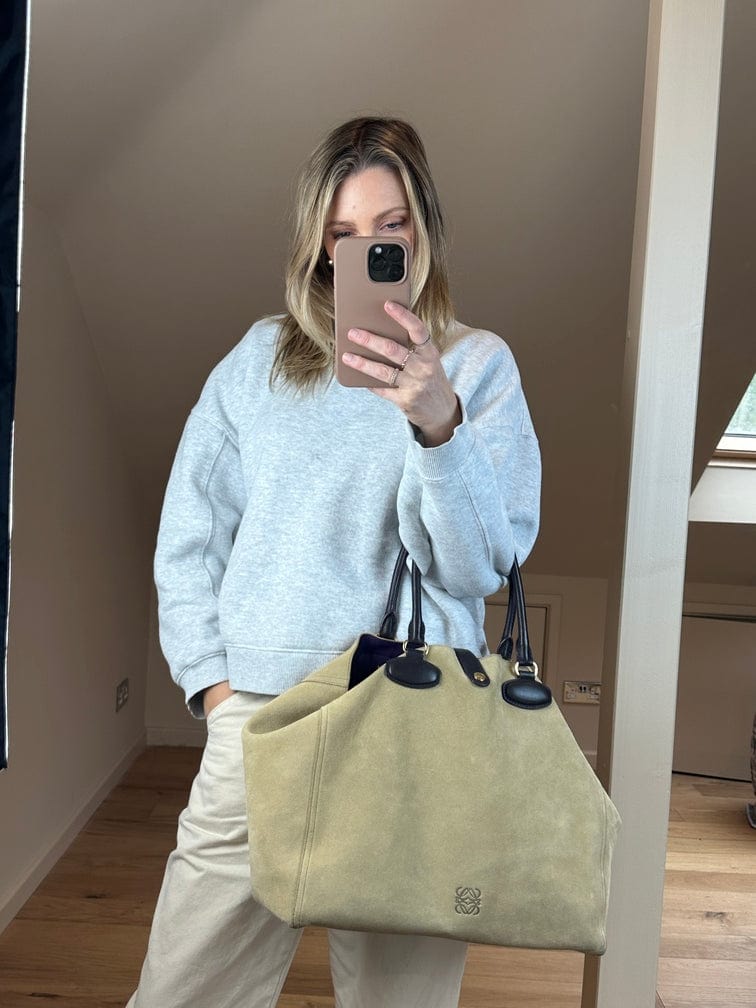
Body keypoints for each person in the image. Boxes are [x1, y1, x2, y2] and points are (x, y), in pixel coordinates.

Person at [126, 116, 541, 1008]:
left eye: (390, 226)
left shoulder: (478, 366)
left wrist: (439, 424)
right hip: (263, 719)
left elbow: (477, 568)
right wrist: (214, 686)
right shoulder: (259, 360)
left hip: (418, 722)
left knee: (401, 999)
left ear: (423, 229)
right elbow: (188, 535)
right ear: (320, 246)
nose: (369, 250)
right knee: (184, 992)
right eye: (345, 234)